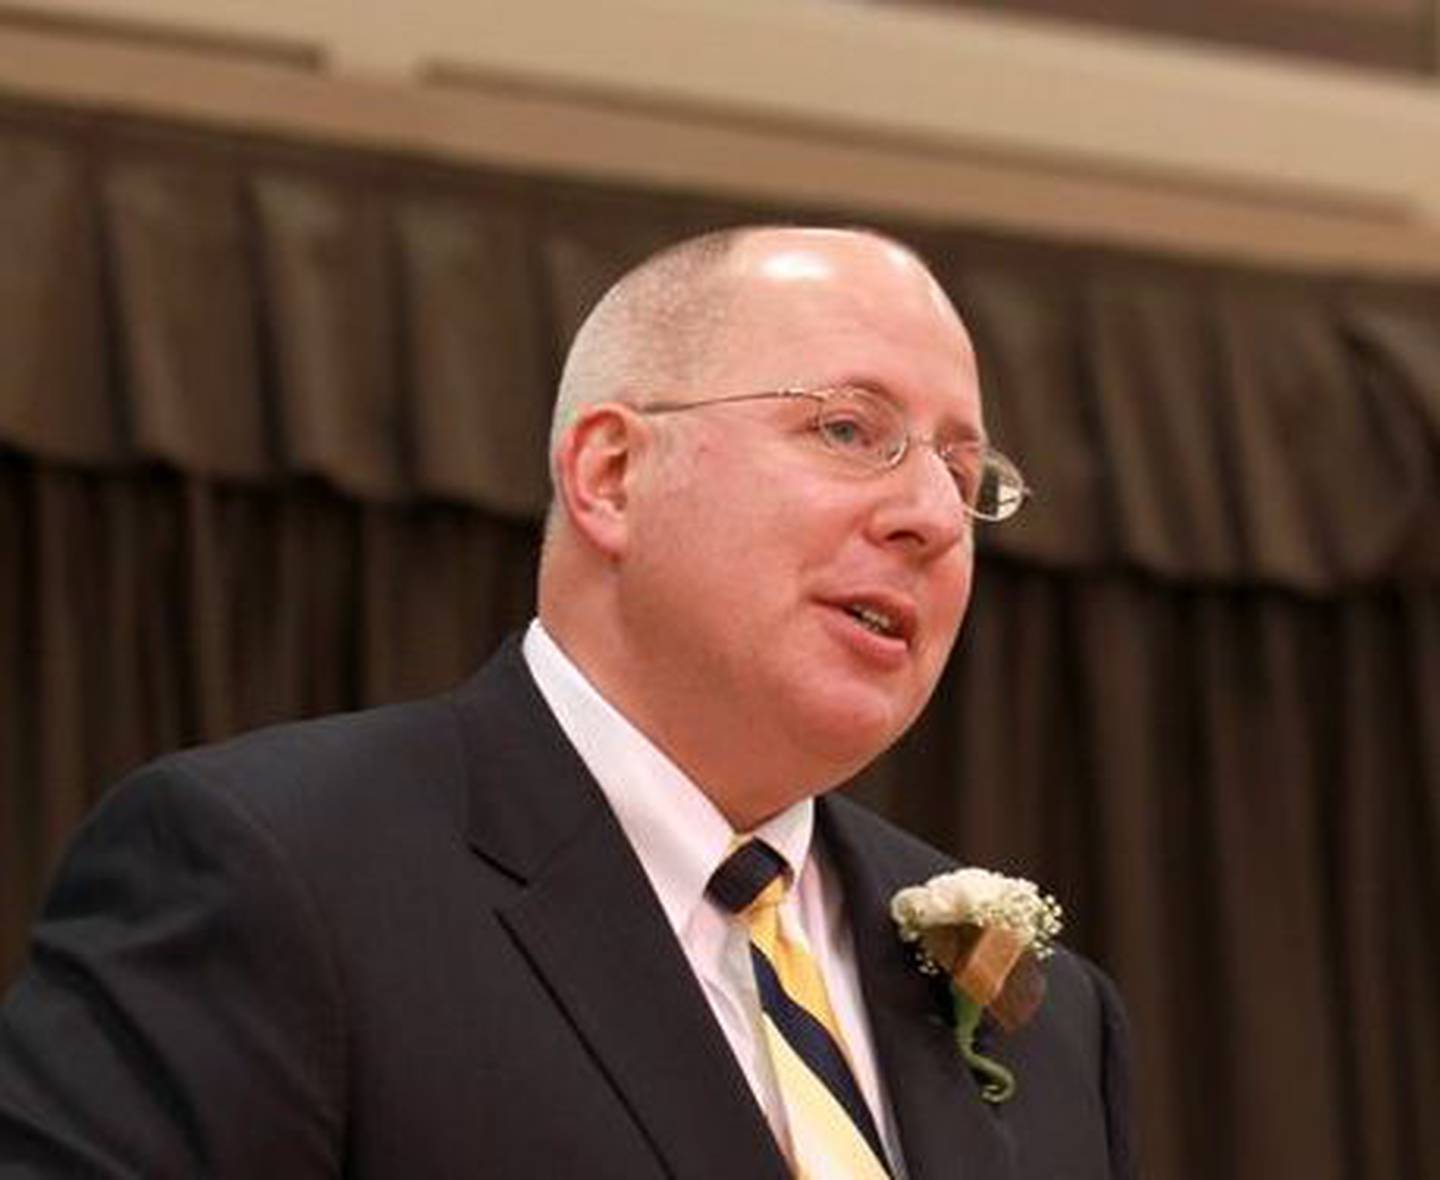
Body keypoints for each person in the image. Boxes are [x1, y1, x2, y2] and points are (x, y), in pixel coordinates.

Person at [0, 226, 1134, 1178]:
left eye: (960, 469)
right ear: (608, 474)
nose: (933, 516)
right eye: (849, 430)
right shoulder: (274, 871)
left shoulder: (1055, 1019)